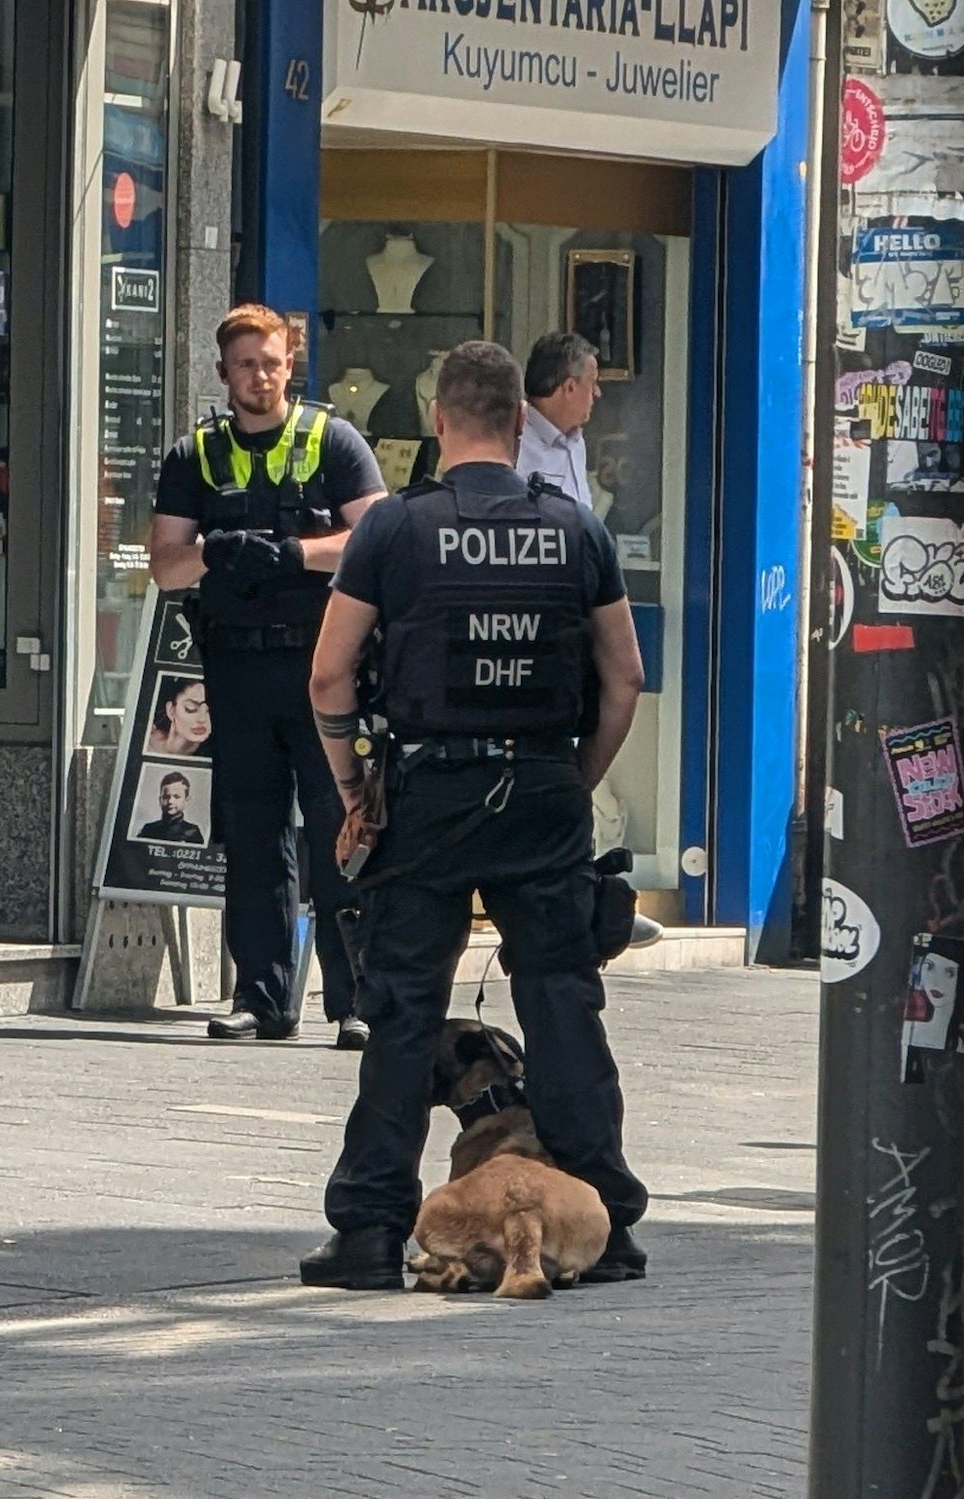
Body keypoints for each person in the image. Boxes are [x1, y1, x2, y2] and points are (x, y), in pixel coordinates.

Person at [298, 339, 651, 1291]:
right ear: (518, 420)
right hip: (540, 788)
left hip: (430, 793)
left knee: (402, 1010)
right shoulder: (576, 529)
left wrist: (352, 788)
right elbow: (624, 676)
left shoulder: (395, 531)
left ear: (441, 417)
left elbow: (330, 672)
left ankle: (370, 1229)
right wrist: (574, 777)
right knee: (562, 1002)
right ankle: (606, 1222)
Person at [148, 304, 385, 1048]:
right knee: (251, 835)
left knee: (338, 829)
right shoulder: (195, 457)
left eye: (272, 361)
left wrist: (293, 554)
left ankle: (356, 1001)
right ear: (223, 372)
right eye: (246, 363)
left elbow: (376, 539)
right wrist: (220, 551)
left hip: (324, 665)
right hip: (237, 664)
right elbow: (164, 565)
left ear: (292, 366)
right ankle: (262, 997)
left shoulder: (331, 440)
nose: (260, 374)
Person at [517, 331, 662, 952]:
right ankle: (555, 894)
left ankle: (579, 888)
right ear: (568, 385)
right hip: (531, 628)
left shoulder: (575, 446)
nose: (600, 394)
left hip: (580, 621)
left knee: (594, 731)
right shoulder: (513, 440)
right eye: (592, 382)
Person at [144, 678, 211, 758]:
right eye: (190, 708)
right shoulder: (143, 741)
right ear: (171, 711)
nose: (202, 719)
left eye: (210, 711)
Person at [137, 772, 205, 844]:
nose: (170, 801)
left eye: (176, 797)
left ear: (186, 800)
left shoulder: (192, 832)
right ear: (160, 800)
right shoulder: (148, 829)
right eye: (166, 797)